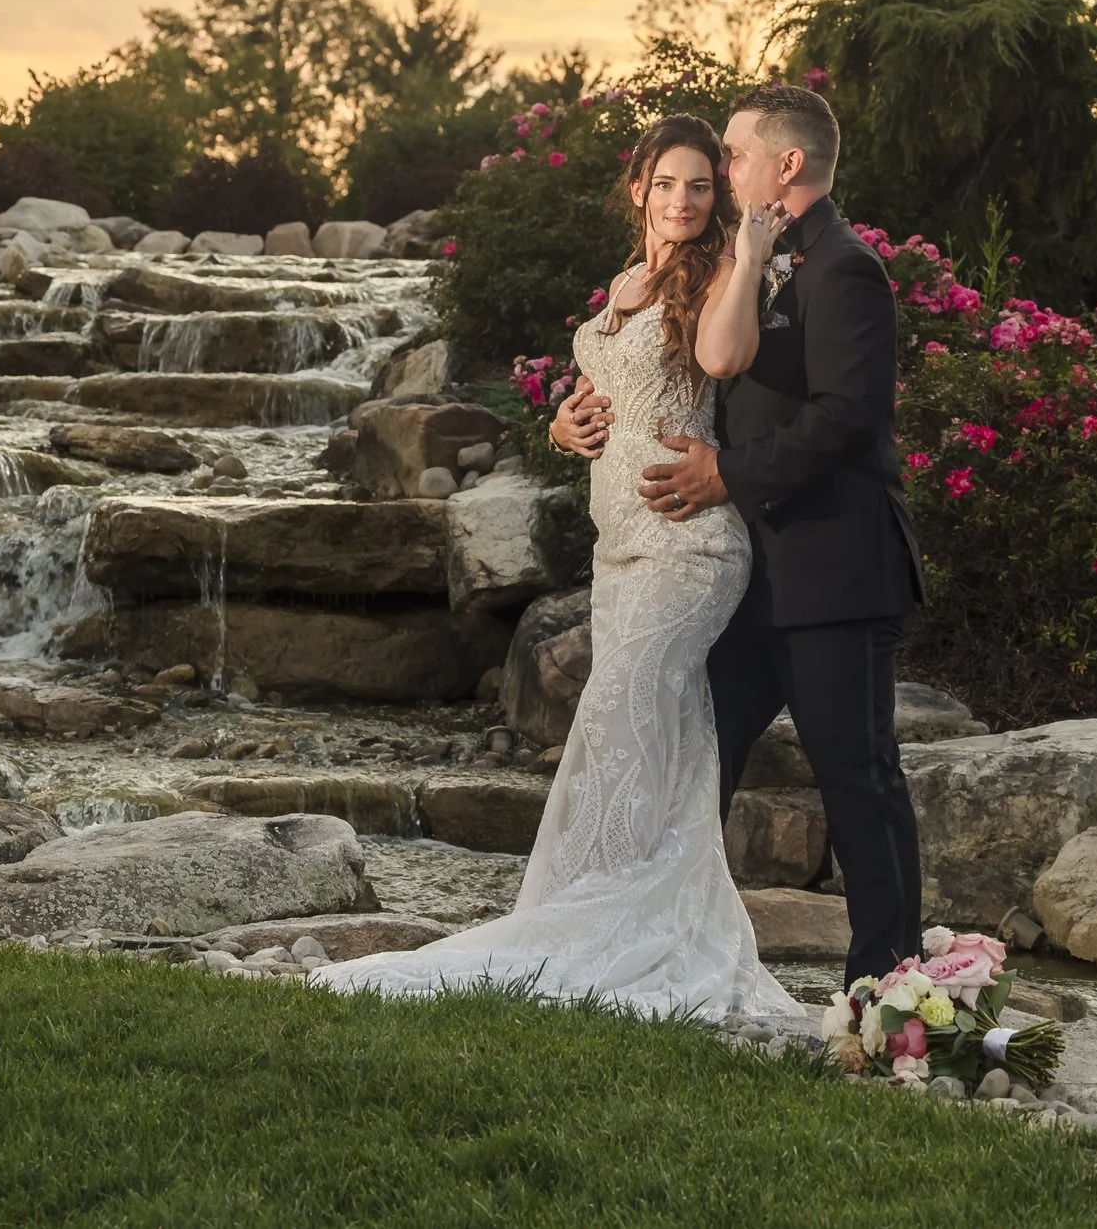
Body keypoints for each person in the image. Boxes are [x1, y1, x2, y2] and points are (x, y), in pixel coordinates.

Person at [313, 114, 800, 1019]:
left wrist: (755, 239)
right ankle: (633, 917)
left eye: (702, 185)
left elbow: (724, 357)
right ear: (638, 190)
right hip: (618, 553)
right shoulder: (623, 284)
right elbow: (601, 393)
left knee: (614, 723)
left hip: (690, 548)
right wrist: (560, 425)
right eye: (668, 184)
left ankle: (586, 928)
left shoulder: (723, 270)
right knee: (665, 741)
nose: (685, 201)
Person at [616, 83, 925, 986]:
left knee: (857, 782)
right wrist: (584, 412)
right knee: (696, 759)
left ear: (787, 166)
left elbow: (846, 417)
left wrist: (725, 472)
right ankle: (663, 954)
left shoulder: (844, 268)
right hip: (743, 574)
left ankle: (890, 989)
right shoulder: (753, 254)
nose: (723, 170)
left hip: (833, 571)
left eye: (738, 156)